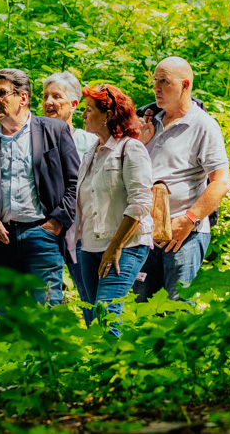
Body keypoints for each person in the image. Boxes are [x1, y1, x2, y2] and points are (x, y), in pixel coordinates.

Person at [0, 68, 79, 307]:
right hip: (0, 242)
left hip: (42, 236)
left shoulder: (54, 131)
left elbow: (76, 183)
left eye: (2, 93)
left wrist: (56, 223)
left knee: (48, 315)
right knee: (10, 321)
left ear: (23, 98)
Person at [133, 57, 230, 302]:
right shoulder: (148, 121)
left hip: (184, 235)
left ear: (185, 85)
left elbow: (221, 182)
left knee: (178, 309)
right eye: (155, 81)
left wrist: (188, 220)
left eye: (164, 81)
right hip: (144, 233)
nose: (156, 88)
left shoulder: (204, 126)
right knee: (141, 309)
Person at [75, 84, 153, 335]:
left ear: (108, 115)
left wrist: (115, 247)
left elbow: (141, 201)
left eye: (89, 110)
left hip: (125, 246)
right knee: (93, 320)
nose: (83, 115)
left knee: (106, 313)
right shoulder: (90, 154)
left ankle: (118, 373)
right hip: (89, 247)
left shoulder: (130, 148)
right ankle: (99, 372)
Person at [41, 71, 98, 312]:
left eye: (57, 96)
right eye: (45, 97)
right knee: (45, 299)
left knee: (89, 296)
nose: (49, 103)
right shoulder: (33, 139)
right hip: (43, 229)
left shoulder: (90, 141)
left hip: (82, 230)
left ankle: (100, 345)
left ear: (74, 104)